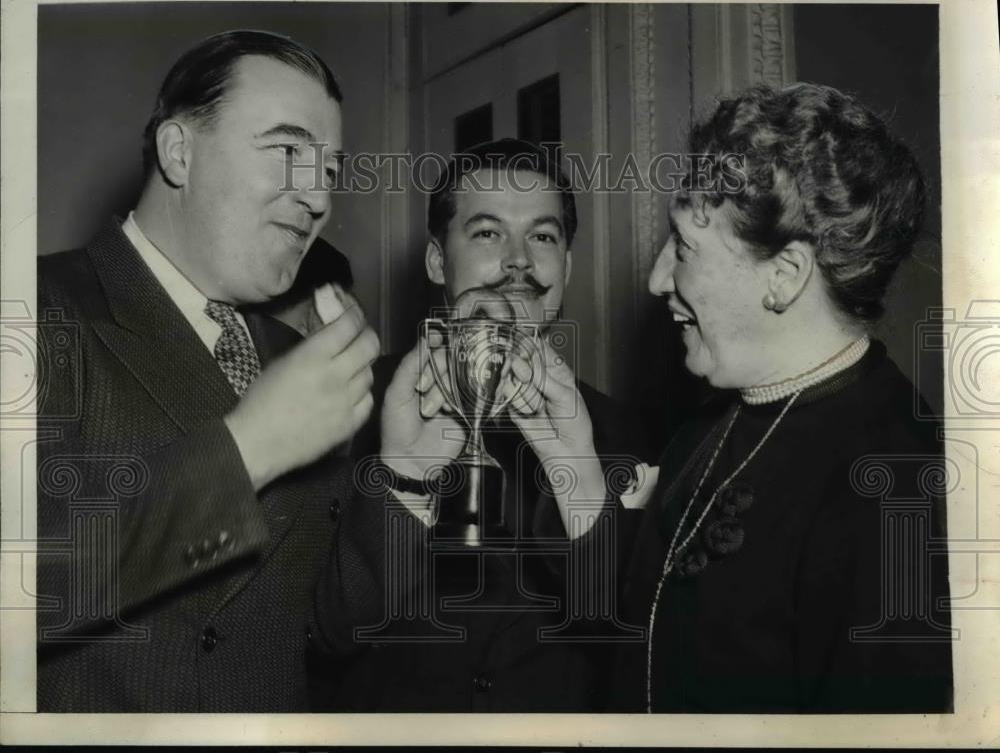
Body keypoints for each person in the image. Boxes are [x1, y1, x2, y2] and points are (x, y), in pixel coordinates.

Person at [36, 30, 379, 711]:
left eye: (330, 171)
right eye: (288, 152)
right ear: (178, 152)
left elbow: (326, 630)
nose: (318, 200)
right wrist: (247, 448)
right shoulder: (35, 307)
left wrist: (409, 471)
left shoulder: (293, 358)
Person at [613, 83, 953, 712]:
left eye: (684, 248)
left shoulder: (893, 486)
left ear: (784, 276)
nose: (658, 277)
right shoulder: (714, 417)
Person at [312, 139, 649, 711]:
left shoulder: (624, 432)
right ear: (437, 260)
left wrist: (580, 484)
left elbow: (637, 649)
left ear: (566, 265)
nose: (520, 260)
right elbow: (322, 635)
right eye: (488, 233)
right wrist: (403, 483)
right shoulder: (349, 405)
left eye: (543, 237)